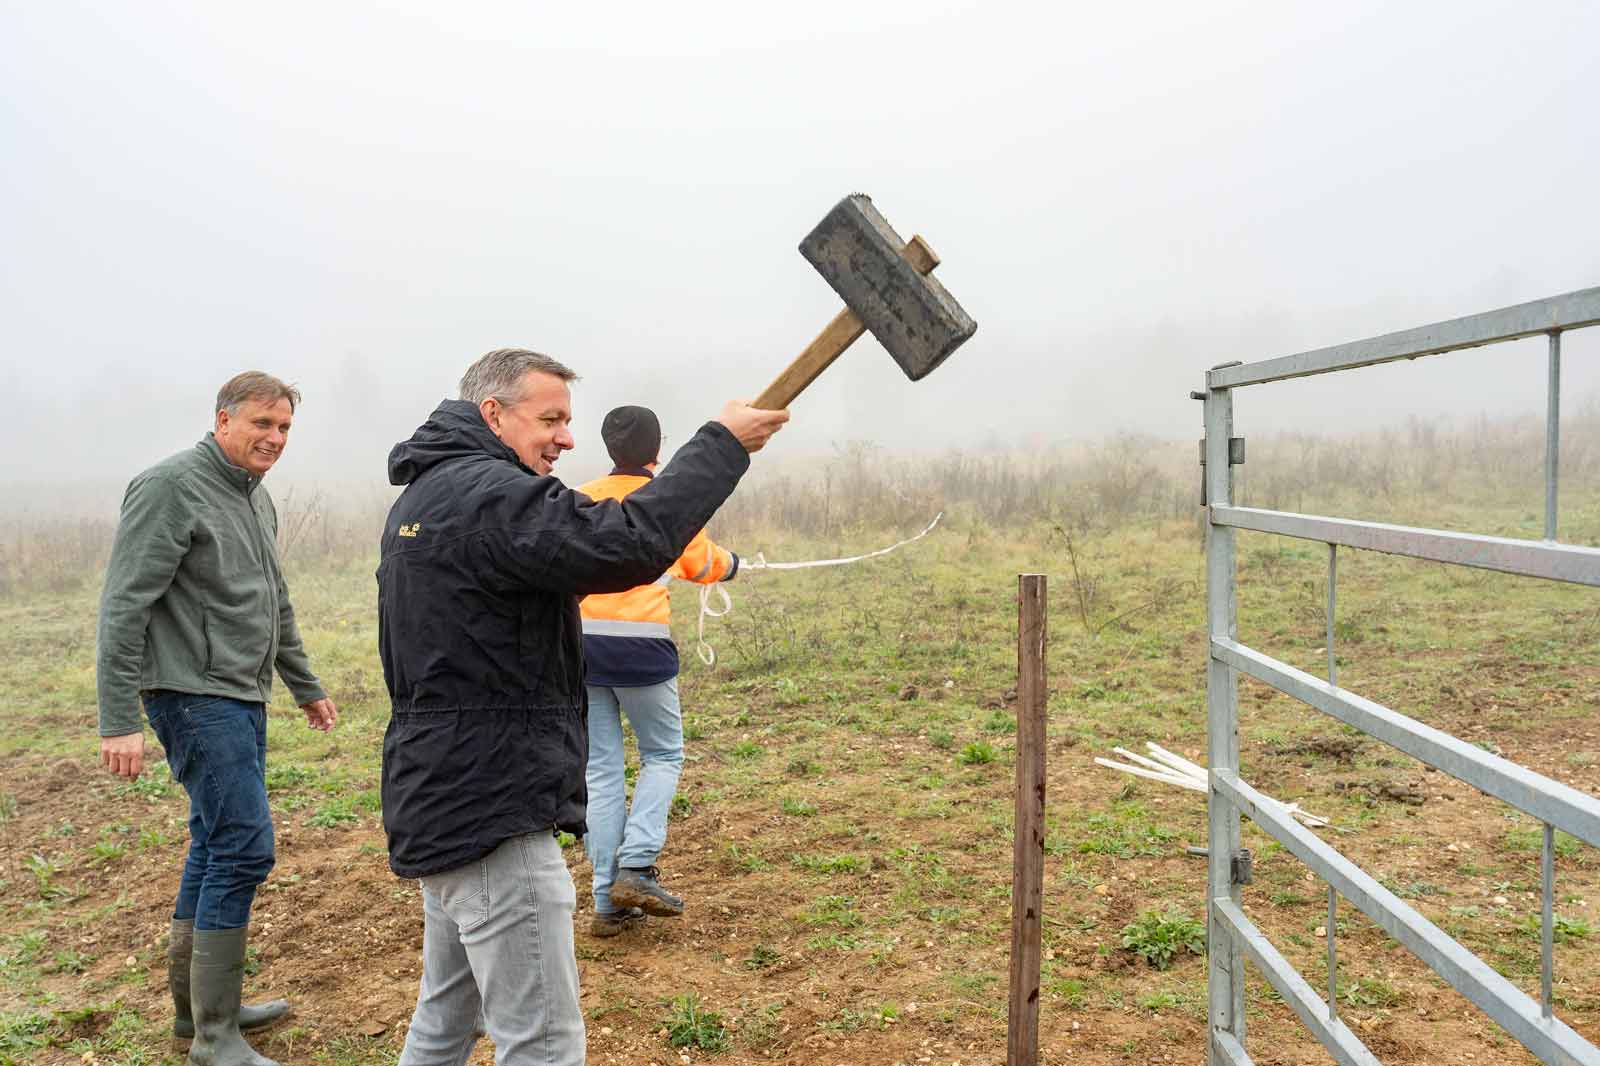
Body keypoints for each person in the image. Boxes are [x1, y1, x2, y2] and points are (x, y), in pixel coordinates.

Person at [378, 348, 786, 1066]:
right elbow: (625, 544)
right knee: (542, 1042)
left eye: (568, 420)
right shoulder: (488, 496)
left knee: (445, 1020)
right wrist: (721, 445)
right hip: (494, 810)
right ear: (493, 414)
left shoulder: (428, 493)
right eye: (551, 419)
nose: (567, 437)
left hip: (441, 793)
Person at [96, 371, 339, 1066]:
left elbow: (273, 597)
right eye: (262, 423)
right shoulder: (170, 486)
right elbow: (124, 604)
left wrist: (303, 683)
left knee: (213, 840)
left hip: (239, 692)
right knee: (244, 845)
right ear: (223, 420)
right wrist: (118, 718)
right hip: (190, 693)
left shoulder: (253, 496)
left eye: (284, 427)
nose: (275, 438)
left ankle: (199, 1015)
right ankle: (214, 1037)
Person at [576, 406, 738, 935]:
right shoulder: (666, 499)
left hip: (581, 648)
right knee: (663, 754)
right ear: (657, 449)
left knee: (601, 770)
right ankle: (638, 865)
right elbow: (703, 562)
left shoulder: (580, 497)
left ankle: (606, 904)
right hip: (641, 650)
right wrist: (734, 564)